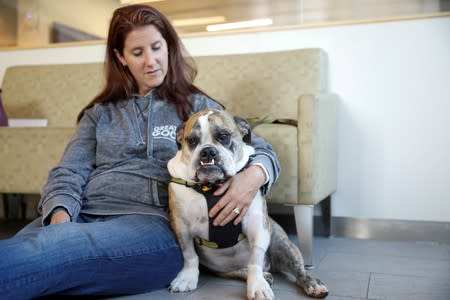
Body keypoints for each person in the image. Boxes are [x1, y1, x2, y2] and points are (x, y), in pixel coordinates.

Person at [0, 4, 280, 299]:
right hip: (84, 213)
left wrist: (252, 178)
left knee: (37, 258)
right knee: (30, 254)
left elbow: (259, 148)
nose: (151, 61)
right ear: (120, 57)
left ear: (169, 47)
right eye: (137, 53)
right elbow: (68, 171)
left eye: (157, 47)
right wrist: (60, 220)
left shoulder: (196, 108)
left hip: (148, 224)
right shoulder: (99, 114)